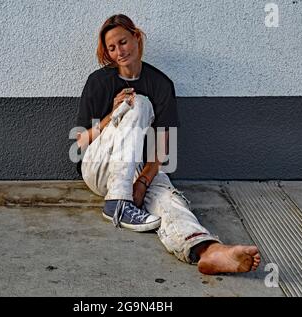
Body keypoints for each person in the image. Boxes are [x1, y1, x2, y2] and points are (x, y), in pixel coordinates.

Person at [75, 14, 260, 275]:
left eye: (123, 42)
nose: (119, 52)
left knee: (168, 199)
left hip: (138, 170)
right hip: (100, 167)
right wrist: (112, 114)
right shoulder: (98, 82)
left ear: (137, 37)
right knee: (137, 102)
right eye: (112, 48)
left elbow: (161, 151)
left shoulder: (161, 84)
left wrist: (142, 182)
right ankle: (117, 201)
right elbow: (80, 140)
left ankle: (206, 249)